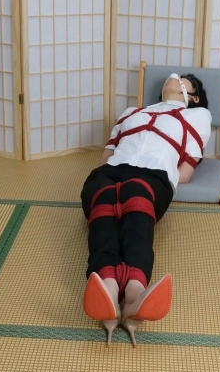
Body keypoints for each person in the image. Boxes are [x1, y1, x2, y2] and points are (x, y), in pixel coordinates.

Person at [80, 73, 212, 346]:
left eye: (183, 79)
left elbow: (185, 172)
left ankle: (134, 292)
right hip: (111, 171)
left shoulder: (198, 115)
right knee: (104, 200)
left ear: (194, 97)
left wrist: (164, 176)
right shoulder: (131, 112)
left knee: (136, 201)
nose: (173, 78)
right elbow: (106, 157)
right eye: (173, 77)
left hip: (153, 174)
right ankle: (108, 286)